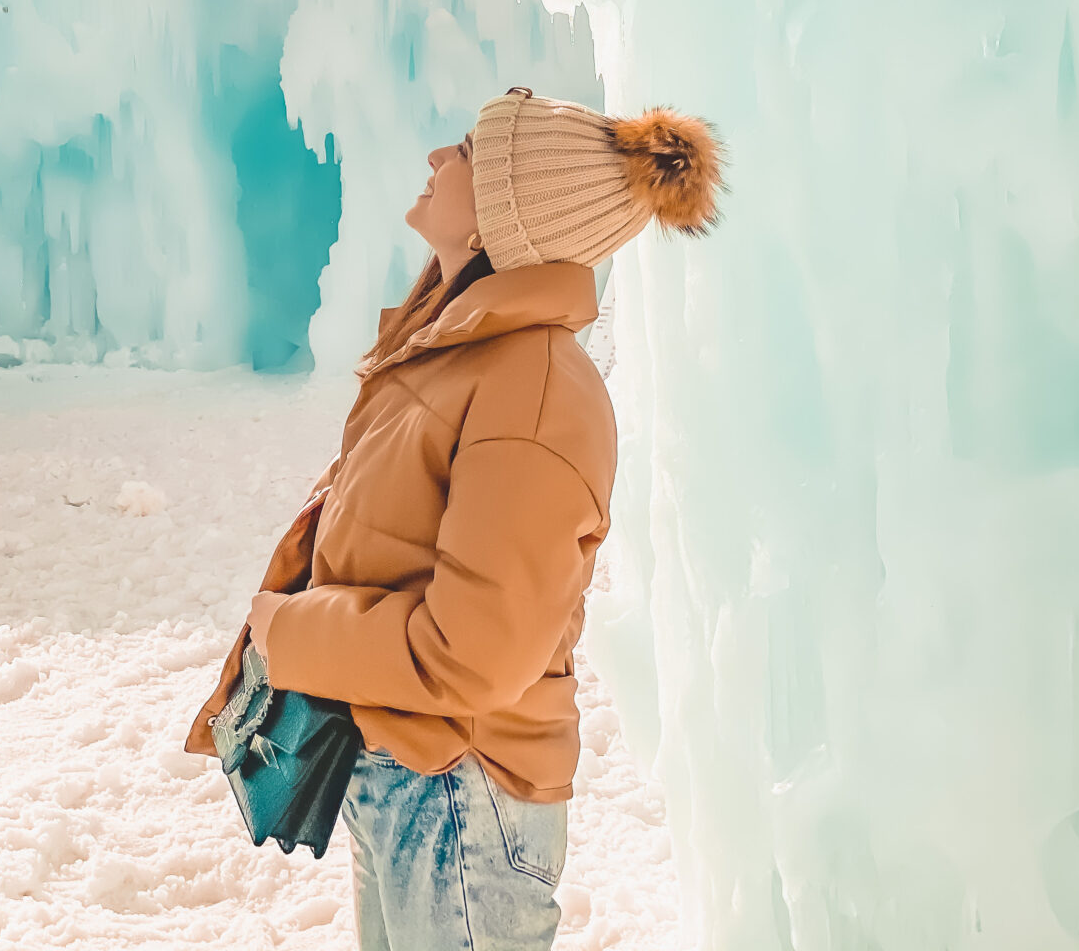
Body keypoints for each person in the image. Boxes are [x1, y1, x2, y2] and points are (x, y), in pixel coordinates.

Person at [188, 87, 722, 950]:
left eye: (470, 153)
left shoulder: (533, 386)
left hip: (460, 791)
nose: (441, 157)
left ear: (499, 227)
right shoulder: (462, 356)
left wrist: (292, 633)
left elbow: (474, 651)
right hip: (407, 771)